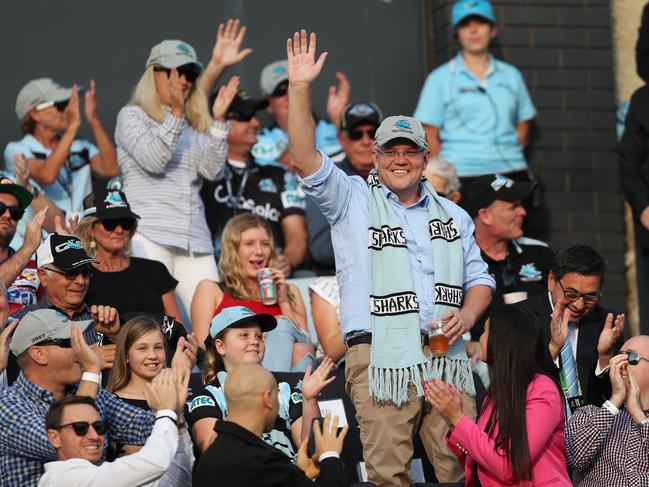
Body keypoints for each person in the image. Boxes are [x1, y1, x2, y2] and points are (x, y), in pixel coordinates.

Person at [287, 30, 495, 486]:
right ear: (374, 158)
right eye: (390, 151)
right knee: (388, 475)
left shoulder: (455, 215)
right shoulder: (351, 198)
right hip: (380, 352)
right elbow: (304, 157)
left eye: (409, 152)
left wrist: (468, 311)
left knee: (463, 471)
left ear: (425, 158)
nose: (400, 160)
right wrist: (300, 89)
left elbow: (481, 280)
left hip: (446, 356)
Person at [114, 37, 238, 317]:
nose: (184, 80)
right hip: (150, 234)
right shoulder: (131, 117)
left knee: (217, 320)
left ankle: (210, 364)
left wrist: (218, 122)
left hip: (194, 238)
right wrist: (177, 113)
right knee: (157, 323)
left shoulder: (190, 126)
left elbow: (213, 170)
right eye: (176, 71)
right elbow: (154, 160)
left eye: (191, 74)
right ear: (154, 74)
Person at [0, 312, 155, 485]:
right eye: (71, 342)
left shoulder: (83, 388)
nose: (84, 349)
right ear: (39, 354)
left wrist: (174, 408)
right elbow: (72, 445)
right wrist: (91, 371)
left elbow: (143, 426)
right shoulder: (8, 406)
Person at [425, 305, 571, 486]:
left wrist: (458, 417)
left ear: (502, 339)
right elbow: (482, 459)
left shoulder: (542, 390)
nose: (481, 338)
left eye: (486, 331)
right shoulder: (497, 392)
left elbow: (510, 466)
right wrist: (452, 420)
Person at [187, 306, 334, 461]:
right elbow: (214, 453)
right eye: (244, 335)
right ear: (220, 346)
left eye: (258, 336)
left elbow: (311, 448)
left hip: (288, 475)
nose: (254, 341)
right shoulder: (209, 395)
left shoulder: (285, 390)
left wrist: (309, 400)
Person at [414, 0, 536, 184]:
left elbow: (523, 126)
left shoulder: (511, 76)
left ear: (492, 30)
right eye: (465, 24)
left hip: (511, 171)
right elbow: (429, 132)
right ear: (457, 33)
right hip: (460, 174)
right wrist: (444, 174)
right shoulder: (439, 79)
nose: (473, 30)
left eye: (480, 23)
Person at [200, 91, 307, 271]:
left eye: (255, 116)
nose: (256, 123)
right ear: (219, 122)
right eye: (245, 117)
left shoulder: (280, 174)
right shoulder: (203, 175)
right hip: (217, 275)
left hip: (266, 277)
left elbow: (297, 235)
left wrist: (287, 261)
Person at [193, 363, 348, 487]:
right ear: (267, 398)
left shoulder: (207, 460)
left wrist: (300, 474)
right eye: (277, 395)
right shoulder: (264, 461)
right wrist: (329, 455)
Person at [191, 213, 313, 371]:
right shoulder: (211, 289)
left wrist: (283, 303)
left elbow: (307, 345)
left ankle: (270, 390)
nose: (259, 251)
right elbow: (204, 347)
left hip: (284, 370)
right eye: (249, 244)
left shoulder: (289, 291)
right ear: (233, 249)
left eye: (265, 244)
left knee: (299, 348)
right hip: (231, 372)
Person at [519, 244, 625, 413]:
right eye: (571, 294)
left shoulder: (606, 323)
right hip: (532, 420)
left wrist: (605, 358)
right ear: (552, 281)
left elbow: (615, 396)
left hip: (587, 429)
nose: (579, 304)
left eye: (590, 296)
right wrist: (553, 349)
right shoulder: (520, 316)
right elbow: (515, 380)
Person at [39, 369, 192, 487]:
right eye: (80, 427)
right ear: (54, 437)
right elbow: (156, 462)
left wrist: (177, 420)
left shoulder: (103, 475)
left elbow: (176, 480)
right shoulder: (62, 478)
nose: (94, 435)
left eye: (99, 427)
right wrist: (166, 410)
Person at [7, 233, 122, 384]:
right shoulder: (19, 323)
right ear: (43, 276)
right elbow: (18, 380)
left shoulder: (104, 319)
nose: (81, 281)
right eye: (71, 273)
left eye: (85, 272)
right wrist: (86, 363)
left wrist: (117, 337)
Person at [5, 78, 118, 215]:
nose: (68, 111)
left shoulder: (80, 146)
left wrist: (94, 121)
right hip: (45, 234)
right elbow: (46, 175)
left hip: (84, 232)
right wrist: (72, 127)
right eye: (61, 105)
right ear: (35, 113)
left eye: (68, 104)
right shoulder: (17, 149)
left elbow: (110, 170)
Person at [462, 174, 552, 341]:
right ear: (485, 216)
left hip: (537, 356)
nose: (523, 212)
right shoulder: (459, 258)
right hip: (478, 360)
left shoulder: (539, 252)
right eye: (513, 207)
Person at [77, 188, 181, 320]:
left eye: (126, 223)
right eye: (110, 223)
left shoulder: (155, 270)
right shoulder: (82, 277)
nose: (119, 230)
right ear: (90, 229)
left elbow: (178, 327)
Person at [306, 101, 383, 275]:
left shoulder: (398, 175)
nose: (366, 141)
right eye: (356, 135)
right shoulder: (328, 179)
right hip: (339, 279)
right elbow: (322, 249)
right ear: (342, 139)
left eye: (373, 134)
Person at [106, 316, 196, 456]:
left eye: (158, 348)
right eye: (142, 348)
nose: (152, 355)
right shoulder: (113, 403)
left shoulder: (183, 392)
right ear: (126, 356)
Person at [565, 337, 649, 486]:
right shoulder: (588, 414)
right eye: (618, 356)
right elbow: (573, 458)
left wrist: (639, 416)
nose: (620, 365)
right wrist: (615, 400)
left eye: (631, 357)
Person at [253, 60, 345, 169]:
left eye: (295, 89)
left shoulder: (334, 128)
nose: (290, 96)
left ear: (308, 92)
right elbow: (267, 177)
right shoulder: (260, 140)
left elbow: (363, 156)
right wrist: (304, 127)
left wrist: (341, 122)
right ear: (269, 104)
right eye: (281, 91)